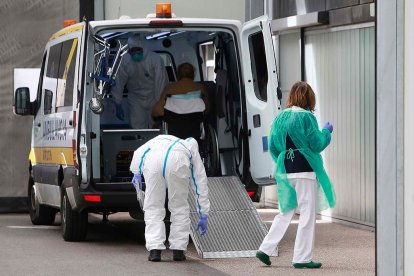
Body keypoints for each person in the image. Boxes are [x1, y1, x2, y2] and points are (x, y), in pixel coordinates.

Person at [256, 81, 336, 269]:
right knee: (307, 214)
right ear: (309, 98)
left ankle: (265, 249)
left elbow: (274, 146)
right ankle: (302, 258)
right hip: (305, 170)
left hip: (285, 169)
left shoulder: (280, 118)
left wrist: (284, 161)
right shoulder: (307, 117)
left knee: (285, 213)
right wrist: (326, 132)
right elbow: (316, 144)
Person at [130, 135, 210, 262]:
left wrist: (137, 172)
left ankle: (154, 251)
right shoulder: (190, 148)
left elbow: (138, 153)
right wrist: (203, 212)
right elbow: (199, 180)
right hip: (178, 161)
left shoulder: (158, 139)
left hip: (153, 160)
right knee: (179, 207)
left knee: (153, 206)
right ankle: (178, 250)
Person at [111, 34, 169, 129]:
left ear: (144, 48)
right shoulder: (125, 61)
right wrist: (117, 102)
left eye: (138, 50)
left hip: (154, 96)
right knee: (137, 127)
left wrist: (160, 102)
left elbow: (161, 82)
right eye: (132, 51)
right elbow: (118, 82)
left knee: (156, 126)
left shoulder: (155, 59)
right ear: (129, 50)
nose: (136, 53)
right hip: (135, 99)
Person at [152, 62, 209, 142]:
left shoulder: (170, 88)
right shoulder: (200, 88)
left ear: (178, 74)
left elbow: (158, 112)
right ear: (193, 74)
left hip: (173, 132)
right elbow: (206, 110)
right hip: (194, 133)